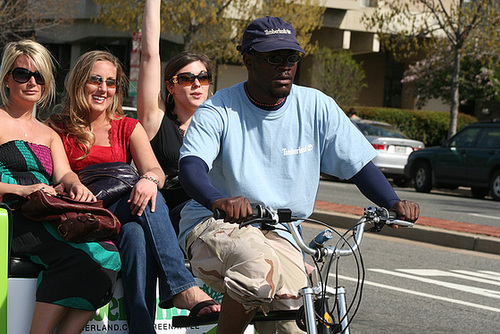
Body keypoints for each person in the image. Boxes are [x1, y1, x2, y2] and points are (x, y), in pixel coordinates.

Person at [177, 16, 421, 334]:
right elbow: (191, 166)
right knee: (256, 268)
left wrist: (392, 201)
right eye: (273, 57)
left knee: (295, 315)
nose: (285, 66)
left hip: (283, 233)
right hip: (218, 224)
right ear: (248, 60)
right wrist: (218, 199)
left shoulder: (316, 106)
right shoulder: (219, 110)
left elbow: (359, 166)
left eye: (291, 57)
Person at [48, 50, 219, 333]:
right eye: (95, 80)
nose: (104, 88)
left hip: (121, 217)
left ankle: (142, 328)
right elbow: (60, 174)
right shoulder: (58, 127)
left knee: (138, 229)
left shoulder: (127, 126)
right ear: (79, 82)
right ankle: (180, 286)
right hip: (84, 215)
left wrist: (148, 180)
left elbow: (157, 172)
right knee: (149, 207)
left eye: (111, 82)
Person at [0, 40, 120, 334]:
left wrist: (76, 186)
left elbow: (65, 174)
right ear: (6, 79)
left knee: (109, 255)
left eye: (39, 76)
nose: (32, 82)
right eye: (22, 74)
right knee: (77, 257)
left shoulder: (48, 133)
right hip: (12, 216)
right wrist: (21, 191)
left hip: (45, 213)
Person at [137, 0, 213, 230]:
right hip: (168, 218)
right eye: (187, 79)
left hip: (210, 215)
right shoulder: (156, 119)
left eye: (203, 77)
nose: (197, 84)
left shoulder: (218, 124)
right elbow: (150, 55)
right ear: (170, 86)